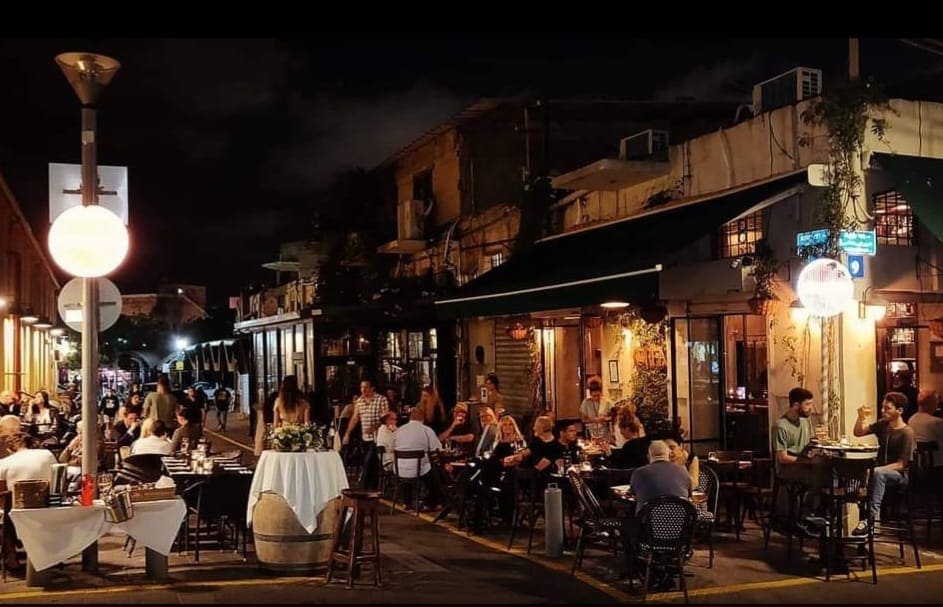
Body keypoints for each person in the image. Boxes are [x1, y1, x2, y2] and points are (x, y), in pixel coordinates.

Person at [852, 392, 916, 534]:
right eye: (882, 407)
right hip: (879, 472)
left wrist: (877, 470)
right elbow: (858, 432)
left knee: (877, 473)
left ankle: (870, 519)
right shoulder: (883, 425)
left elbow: (902, 464)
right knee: (858, 468)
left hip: (899, 475)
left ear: (899, 411)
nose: (882, 411)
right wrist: (861, 417)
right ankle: (859, 511)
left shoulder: (907, 433)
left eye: (887, 408)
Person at [0, 431, 57, 570]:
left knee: (5, 513)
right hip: (47, 506)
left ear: (9, 449)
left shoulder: (5, 463)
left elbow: (1, 492)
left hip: (18, 511)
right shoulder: (47, 454)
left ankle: (12, 559)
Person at [342, 379, 389, 491]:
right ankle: (372, 488)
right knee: (370, 463)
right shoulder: (359, 401)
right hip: (365, 437)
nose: (363, 390)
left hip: (377, 437)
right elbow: (355, 418)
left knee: (369, 461)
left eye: (366, 387)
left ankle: (363, 487)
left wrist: (375, 427)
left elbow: (385, 417)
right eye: (362, 387)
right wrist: (347, 434)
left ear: (372, 388)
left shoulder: (381, 399)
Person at [392, 407, 443, 509]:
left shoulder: (399, 430)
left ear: (410, 417)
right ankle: (431, 502)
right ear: (423, 418)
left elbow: (393, 447)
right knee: (436, 471)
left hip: (399, 470)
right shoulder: (426, 430)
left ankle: (407, 502)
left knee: (410, 469)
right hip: (419, 470)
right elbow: (437, 449)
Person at [630, 440, 692, 510]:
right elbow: (689, 494)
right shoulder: (683, 471)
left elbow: (633, 494)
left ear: (648, 456)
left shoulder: (638, 473)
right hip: (680, 515)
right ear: (669, 455)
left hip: (648, 516)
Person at [908, 390, 943, 467]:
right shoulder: (937, 422)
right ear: (931, 404)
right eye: (936, 402)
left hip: (918, 464)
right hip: (937, 465)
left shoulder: (911, 420)